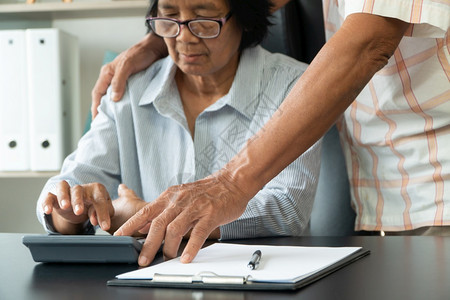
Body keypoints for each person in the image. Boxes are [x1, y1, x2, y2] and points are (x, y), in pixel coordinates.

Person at [90, 0, 449, 265]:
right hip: (382, 210)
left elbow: (369, 43)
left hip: (437, 199)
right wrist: (163, 38)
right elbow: (252, 3)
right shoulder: (138, 86)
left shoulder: (285, 78)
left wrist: (230, 185)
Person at [36, 0, 322, 258]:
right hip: (147, 279)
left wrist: (152, 217)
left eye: (204, 19)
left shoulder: (293, 85)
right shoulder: (130, 89)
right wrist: (69, 211)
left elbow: (288, 208)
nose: (184, 36)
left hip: (255, 272)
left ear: (244, 18)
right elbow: (74, 179)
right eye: (169, 16)